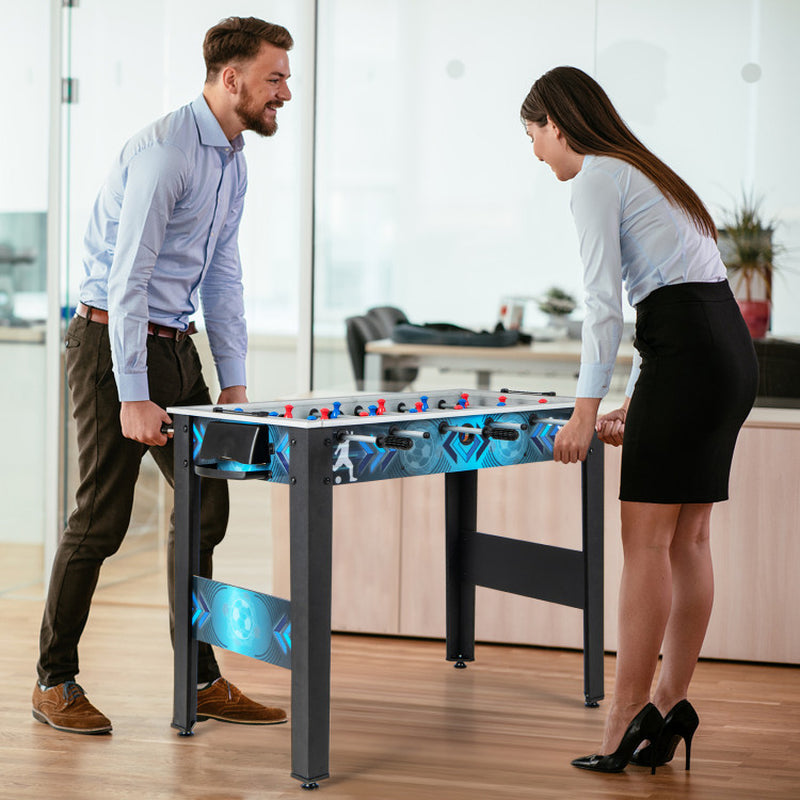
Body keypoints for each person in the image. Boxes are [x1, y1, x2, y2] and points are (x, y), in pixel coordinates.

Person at [33, 17, 294, 734]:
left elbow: (223, 277)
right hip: (109, 344)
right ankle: (54, 680)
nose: (286, 92)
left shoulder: (232, 158)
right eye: (275, 77)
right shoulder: (164, 153)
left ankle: (200, 676)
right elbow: (128, 279)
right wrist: (133, 392)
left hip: (176, 348)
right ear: (230, 78)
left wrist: (233, 382)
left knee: (207, 509)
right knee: (100, 519)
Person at [520, 66, 758, 773]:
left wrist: (583, 413)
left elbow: (604, 307)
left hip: (685, 355)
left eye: (532, 136)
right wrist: (638, 396)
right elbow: (676, 297)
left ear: (556, 126)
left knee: (647, 543)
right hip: (722, 354)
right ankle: (667, 705)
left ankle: (625, 717)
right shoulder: (646, 171)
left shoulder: (596, 175)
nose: (535, 153)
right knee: (689, 539)